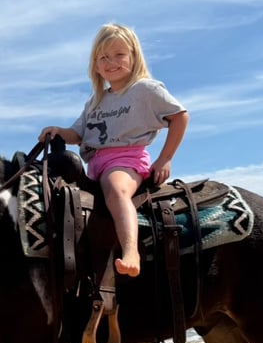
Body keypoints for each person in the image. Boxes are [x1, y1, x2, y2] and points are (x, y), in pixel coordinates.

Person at [40, 23, 188, 277]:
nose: (111, 62)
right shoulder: (95, 101)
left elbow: (180, 117)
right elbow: (78, 135)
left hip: (127, 159)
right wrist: (57, 131)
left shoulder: (145, 89)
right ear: (95, 64)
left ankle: (132, 252)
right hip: (94, 164)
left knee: (115, 191)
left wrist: (165, 159)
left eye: (119, 54)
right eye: (103, 57)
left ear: (133, 55)